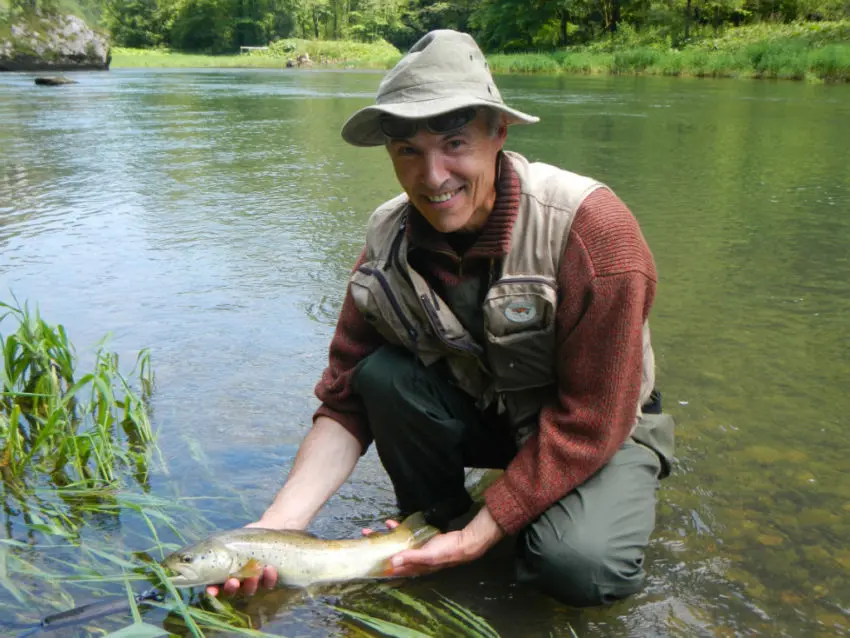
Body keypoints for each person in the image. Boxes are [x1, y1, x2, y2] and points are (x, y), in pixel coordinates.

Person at [208, 29, 675, 607]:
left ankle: (494, 527)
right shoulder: (386, 240)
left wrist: (481, 536)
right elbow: (347, 398)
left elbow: (594, 420)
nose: (432, 178)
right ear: (389, 152)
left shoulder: (592, 231)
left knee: (580, 567)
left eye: (454, 143)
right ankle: (431, 525)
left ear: (498, 133)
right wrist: (275, 530)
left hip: (600, 426)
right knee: (381, 375)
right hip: (492, 411)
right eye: (409, 151)